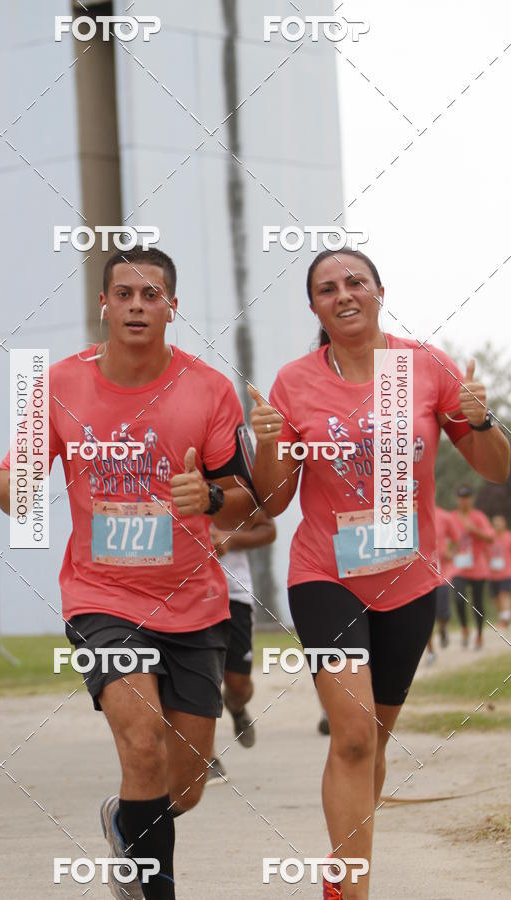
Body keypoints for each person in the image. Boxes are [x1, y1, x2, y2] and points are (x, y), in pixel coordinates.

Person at [0, 246, 257, 900]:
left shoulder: (208, 388)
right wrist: (18, 489)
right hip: (101, 596)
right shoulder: (61, 383)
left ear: (172, 307)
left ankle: (124, 821)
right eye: (125, 294)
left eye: (151, 294)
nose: (137, 305)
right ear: (104, 304)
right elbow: (10, 479)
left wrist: (211, 498)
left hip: (195, 603)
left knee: (183, 788)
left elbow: (245, 498)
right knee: (142, 745)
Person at [246, 247, 510, 900]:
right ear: (315, 308)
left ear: (379, 292)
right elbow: (273, 501)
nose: (343, 294)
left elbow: (497, 468)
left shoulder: (423, 367)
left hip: (409, 581)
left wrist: (482, 419)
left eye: (355, 281)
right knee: (354, 735)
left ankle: (344, 868)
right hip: (325, 575)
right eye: (327, 288)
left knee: (374, 744)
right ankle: (349, 892)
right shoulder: (294, 383)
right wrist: (270, 443)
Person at [205, 508, 277, 783]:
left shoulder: (236, 485)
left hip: (234, 592)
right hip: (189, 594)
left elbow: (268, 529)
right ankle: (207, 756)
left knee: (239, 685)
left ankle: (236, 706)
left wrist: (230, 538)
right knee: (202, 676)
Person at [450, 485, 495, 649]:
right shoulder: (452, 517)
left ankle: (479, 635)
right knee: (458, 598)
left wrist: (474, 529)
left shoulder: (479, 517)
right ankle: (464, 628)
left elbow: (491, 538)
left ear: (472, 499)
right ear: (457, 499)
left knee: (477, 603)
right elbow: (444, 538)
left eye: (467, 498)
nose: (464, 501)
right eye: (461, 498)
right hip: (459, 568)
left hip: (478, 568)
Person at [425, 506, 463, 663]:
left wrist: (451, 553)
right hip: (420, 579)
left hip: (441, 575)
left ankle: (442, 628)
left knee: (443, 613)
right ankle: (431, 651)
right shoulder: (406, 514)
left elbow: (457, 539)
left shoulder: (445, 516)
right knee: (424, 618)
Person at [488, 514, 511, 629]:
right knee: (495, 598)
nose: (497, 525)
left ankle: (505, 619)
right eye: (495, 523)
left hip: (506, 572)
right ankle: (502, 617)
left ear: (504, 524)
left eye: (499, 523)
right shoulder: (489, 537)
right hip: (492, 574)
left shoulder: (508, 537)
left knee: (503, 595)